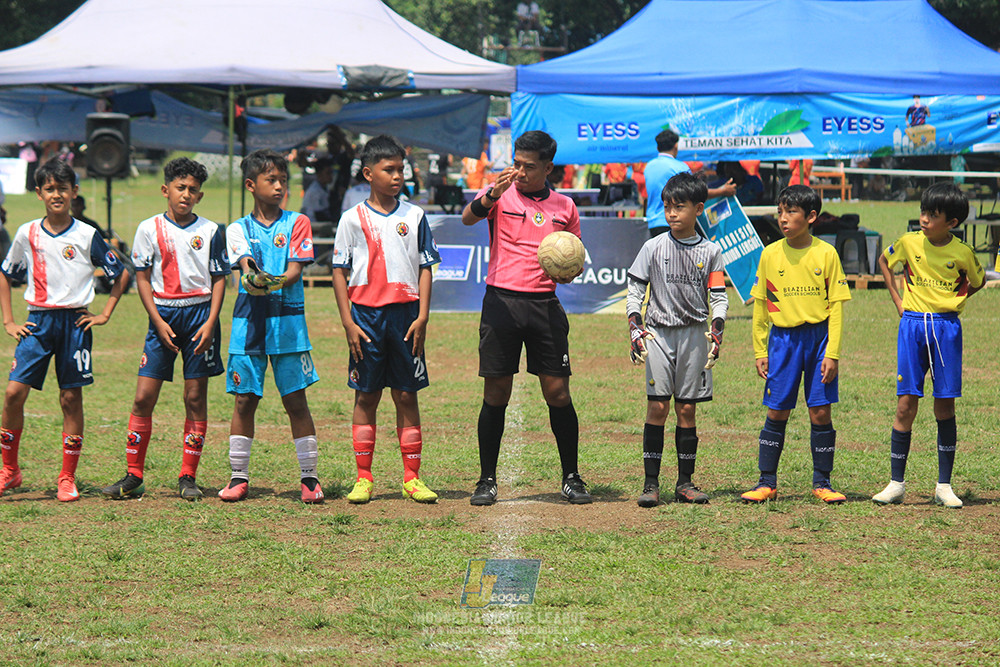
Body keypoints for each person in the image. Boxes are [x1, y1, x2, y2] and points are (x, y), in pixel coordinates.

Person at [460, 130, 590, 506]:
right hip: (501, 302)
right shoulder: (500, 195)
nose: (519, 172)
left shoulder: (565, 207)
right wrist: (492, 194)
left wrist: (569, 270)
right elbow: (468, 218)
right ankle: (486, 480)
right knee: (496, 393)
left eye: (528, 167)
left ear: (548, 167)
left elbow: (575, 257)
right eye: (516, 163)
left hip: (544, 306)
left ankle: (572, 476)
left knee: (558, 392)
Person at [100, 158, 228, 501]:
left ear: (200, 196)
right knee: (143, 396)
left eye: (193, 190)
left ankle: (188, 476)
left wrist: (211, 322)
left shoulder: (212, 231)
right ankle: (134, 475)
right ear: (165, 190)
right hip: (163, 316)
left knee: (195, 397)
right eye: (180, 188)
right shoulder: (148, 228)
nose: (186, 195)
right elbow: (141, 277)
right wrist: (157, 319)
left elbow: (219, 279)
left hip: (200, 316)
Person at [0, 158, 127, 501]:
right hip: (38, 322)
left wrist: (104, 314)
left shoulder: (87, 235)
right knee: (13, 394)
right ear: (39, 192)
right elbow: (5, 272)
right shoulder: (28, 233)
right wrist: (9, 321)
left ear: (74, 191)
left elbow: (121, 273)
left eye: (63, 188)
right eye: (50, 189)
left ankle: (67, 477)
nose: (57, 194)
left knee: (70, 398)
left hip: (75, 323)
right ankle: (9, 470)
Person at [332, 135, 441, 504]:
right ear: (368, 173)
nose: (397, 176)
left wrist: (423, 315)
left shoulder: (415, 216)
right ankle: (364, 477)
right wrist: (348, 322)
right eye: (389, 169)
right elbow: (338, 271)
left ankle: (412, 478)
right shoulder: (352, 219)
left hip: (406, 316)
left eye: (401, 169)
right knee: (367, 394)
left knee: (407, 394)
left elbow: (426, 267)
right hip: (365, 318)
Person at [872, 183, 984, 508]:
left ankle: (944, 486)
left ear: (951, 222)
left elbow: (978, 281)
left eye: (932, 215)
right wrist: (898, 301)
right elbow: (884, 261)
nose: (923, 219)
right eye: (922, 212)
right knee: (905, 404)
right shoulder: (908, 243)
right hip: (912, 327)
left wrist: (953, 300)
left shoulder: (963, 253)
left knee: (944, 405)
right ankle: (896, 484)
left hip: (946, 328)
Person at [220, 149, 323, 503]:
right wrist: (252, 276)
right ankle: (238, 477)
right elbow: (244, 262)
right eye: (271, 180)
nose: (280, 187)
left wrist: (272, 281)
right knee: (244, 401)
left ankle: (309, 479)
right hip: (247, 326)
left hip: (289, 328)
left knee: (295, 400)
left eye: (284, 180)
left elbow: (296, 270)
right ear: (251, 185)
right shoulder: (236, 228)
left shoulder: (298, 223)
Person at [741, 185, 852, 505]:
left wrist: (832, 353)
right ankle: (766, 482)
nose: (783, 219)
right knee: (777, 411)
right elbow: (761, 306)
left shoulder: (826, 254)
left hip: (818, 341)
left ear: (811, 216)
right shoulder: (770, 254)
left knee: (820, 412)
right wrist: (760, 350)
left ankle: (823, 482)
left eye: (791, 212)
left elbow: (837, 308)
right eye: (780, 212)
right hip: (782, 342)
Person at [626, 173, 728, 507]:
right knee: (657, 406)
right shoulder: (652, 247)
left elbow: (718, 296)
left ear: (698, 208)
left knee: (687, 410)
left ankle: (685, 483)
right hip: (659, 335)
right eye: (667, 207)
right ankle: (650, 483)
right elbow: (635, 290)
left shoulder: (712, 252)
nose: (671, 214)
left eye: (679, 207)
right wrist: (635, 326)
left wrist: (717, 329)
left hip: (693, 337)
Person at [644, 129, 735, 237]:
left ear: (658, 147)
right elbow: (695, 193)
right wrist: (722, 191)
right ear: (676, 146)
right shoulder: (679, 167)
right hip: (676, 222)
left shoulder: (648, 167)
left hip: (654, 224)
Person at [300, 157, 334, 224]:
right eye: (328, 173)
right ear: (319, 174)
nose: (331, 176)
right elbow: (319, 215)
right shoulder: (314, 191)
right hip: (313, 225)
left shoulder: (325, 187)